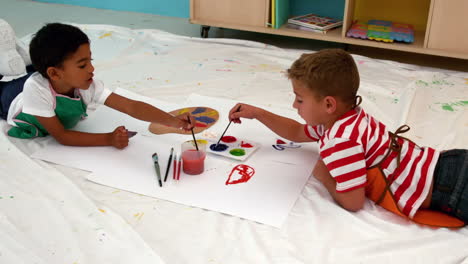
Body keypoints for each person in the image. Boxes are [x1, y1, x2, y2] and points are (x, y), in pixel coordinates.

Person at [228, 48, 467, 228]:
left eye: (299, 99)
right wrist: (257, 113)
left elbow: (353, 202)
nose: (294, 105)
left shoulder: (340, 142)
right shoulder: (346, 118)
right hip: (449, 163)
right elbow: (297, 132)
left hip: (449, 189)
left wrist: (323, 174)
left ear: (329, 104)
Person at [0, 23, 195, 149]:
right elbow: (62, 135)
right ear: (55, 73)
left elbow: (132, 106)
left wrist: (173, 121)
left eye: (90, 60)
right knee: (12, 84)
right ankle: (19, 63)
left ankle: (27, 61)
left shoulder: (87, 85)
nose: (92, 69)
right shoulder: (36, 90)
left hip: (48, 77)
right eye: (83, 65)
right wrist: (108, 139)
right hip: (13, 98)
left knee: (33, 69)